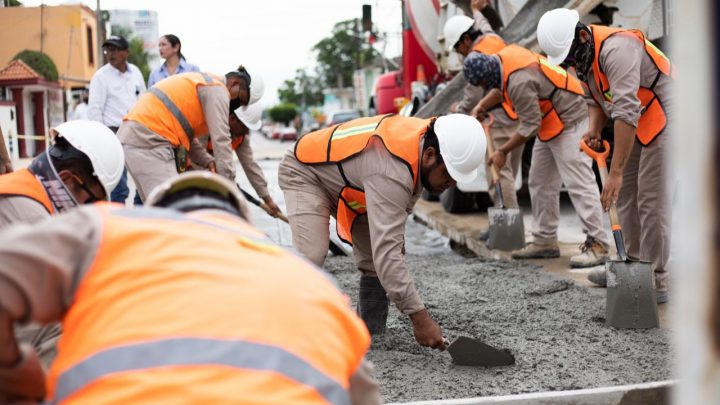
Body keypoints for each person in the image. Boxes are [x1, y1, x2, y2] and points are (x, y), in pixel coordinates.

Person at [0, 171, 380, 404]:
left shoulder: (109, 229)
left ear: (156, 215)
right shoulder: (316, 286)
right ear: (241, 227)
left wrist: (16, 375)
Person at [279, 113, 487, 349]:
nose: (451, 185)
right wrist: (420, 319)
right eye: (449, 175)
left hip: (353, 181)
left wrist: (394, 248)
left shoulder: (423, 144)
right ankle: (279, 325)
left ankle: (370, 332)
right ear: (429, 156)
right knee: (312, 254)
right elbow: (388, 255)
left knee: (374, 257)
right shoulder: (392, 168)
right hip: (306, 172)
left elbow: (392, 235)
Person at [537, 9, 674, 303]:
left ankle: (657, 280)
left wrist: (616, 172)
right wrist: (594, 129)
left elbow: (625, 109)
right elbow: (594, 99)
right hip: (639, 117)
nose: (571, 65)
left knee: (650, 200)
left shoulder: (617, 49)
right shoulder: (583, 55)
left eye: (570, 59)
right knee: (625, 197)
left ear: (583, 36)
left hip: (665, 113)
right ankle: (632, 268)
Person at [463, 45, 610, 267]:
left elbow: (531, 125)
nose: (485, 87)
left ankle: (598, 243)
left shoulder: (519, 80)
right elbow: (499, 90)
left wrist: (503, 151)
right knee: (540, 181)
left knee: (579, 181)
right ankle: (545, 241)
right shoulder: (501, 61)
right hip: (551, 123)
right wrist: (481, 105)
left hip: (570, 119)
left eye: (484, 83)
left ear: (490, 73)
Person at [0, 120, 124, 369]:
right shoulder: (31, 218)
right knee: (66, 321)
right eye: (91, 202)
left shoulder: (27, 187)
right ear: (67, 179)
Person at [118, 66, 264, 202]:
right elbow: (221, 139)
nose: (237, 105)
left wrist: (208, 161)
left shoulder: (205, 83)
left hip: (134, 137)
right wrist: (230, 191)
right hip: (150, 140)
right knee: (172, 208)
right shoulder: (217, 89)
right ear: (234, 83)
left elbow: (189, 138)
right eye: (241, 100)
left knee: (157, 211)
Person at [443, 2, 522, 230]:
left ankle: (506, 229)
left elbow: (471, 98)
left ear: (466, 40)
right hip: (516, 113)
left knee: (498, 174)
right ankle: (504, 225)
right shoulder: (491, 38)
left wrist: (456, 112)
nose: (459, 53)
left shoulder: (475, 58)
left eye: (458, 47)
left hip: (498, 119)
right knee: (507, 173)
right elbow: (484, 24)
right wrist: (477, 10)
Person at [87, 35, 146, 204]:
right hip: (113, 133)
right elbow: (95, 109)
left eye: (114, 49)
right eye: (107, 50)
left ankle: (138, 219)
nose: (110, 54)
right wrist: (101, 138)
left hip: (137, 131)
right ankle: (116, 223)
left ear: (126, 52)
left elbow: (144, 100)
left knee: (143, 181)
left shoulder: (135, 72)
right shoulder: (101, 76)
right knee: (119, 187)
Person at [199, 101, 282, 216]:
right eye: (245, 126)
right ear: (232, 119)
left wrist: (268, 200)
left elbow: (251, 166)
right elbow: (196, 157)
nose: (247, 131)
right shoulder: (206, 127)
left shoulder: (241, 137)